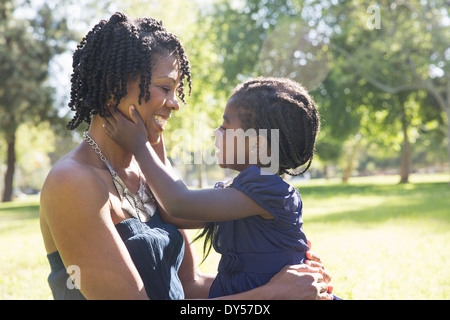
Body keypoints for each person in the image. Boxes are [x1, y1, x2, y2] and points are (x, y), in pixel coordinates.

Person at [40, 11, 332, 300]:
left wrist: (296, 280)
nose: (175, 104)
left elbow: (189, 288)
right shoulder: (73, 182)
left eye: (177, 90)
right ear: (114, 85)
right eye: (165, 88)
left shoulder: (148, 177)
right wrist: (273, 294)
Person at [102, 76, 338, 299]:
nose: (217, 133)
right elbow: (173, 214)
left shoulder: (267, 188)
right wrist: (154, 137)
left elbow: (178, 203)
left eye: (225, 127)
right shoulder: (237, 193)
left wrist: (140, 146)